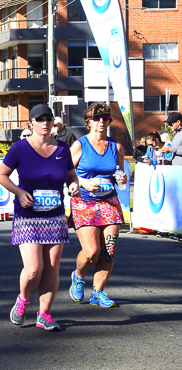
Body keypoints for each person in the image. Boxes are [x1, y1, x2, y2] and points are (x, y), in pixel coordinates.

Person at [0, 104, 80, 331]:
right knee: (34, 268)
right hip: (28, 216)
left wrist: (74, 186)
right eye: (40, 119)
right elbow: (1, 175)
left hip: (54, 216)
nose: (45, 123)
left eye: (48, 119)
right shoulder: (19, 148)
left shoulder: (63, 149)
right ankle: (23, 299)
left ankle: (45, 314)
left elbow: (71, 176)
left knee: (52, 267)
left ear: (54, 123)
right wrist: (19, 192)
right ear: (30, 123)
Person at [69, 102, 128, 308]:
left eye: (105, 118)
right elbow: (65, 171)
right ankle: (78, 275)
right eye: (96, 118)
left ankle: (98, 292)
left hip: (109, 201)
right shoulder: (79, 145)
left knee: (109, 249)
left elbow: (119, 172)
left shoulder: (116, 146)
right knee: (92, 252)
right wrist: (82, 181)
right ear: (88, 122)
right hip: (84, 202)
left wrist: (122, 178)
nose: (101, 121)